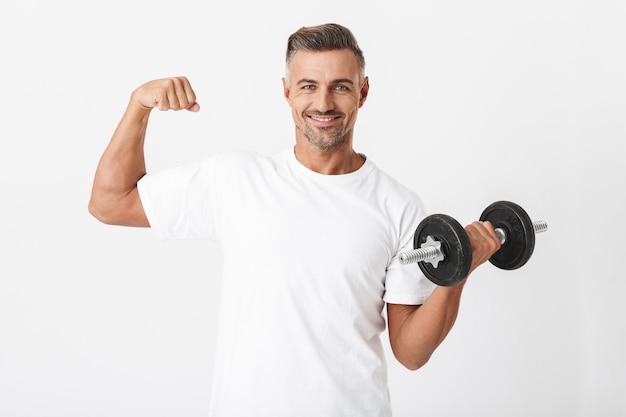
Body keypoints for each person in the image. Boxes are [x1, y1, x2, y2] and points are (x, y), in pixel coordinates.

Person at [89, 23, 501, 417]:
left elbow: (411, 353)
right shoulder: (236, 180)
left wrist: (457, 270)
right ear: (286, 92)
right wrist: (139, 104)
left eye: (340, 86)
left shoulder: (399, 206)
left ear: (363, 92)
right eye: (308, 86)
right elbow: (110, 202)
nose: (323, 103)